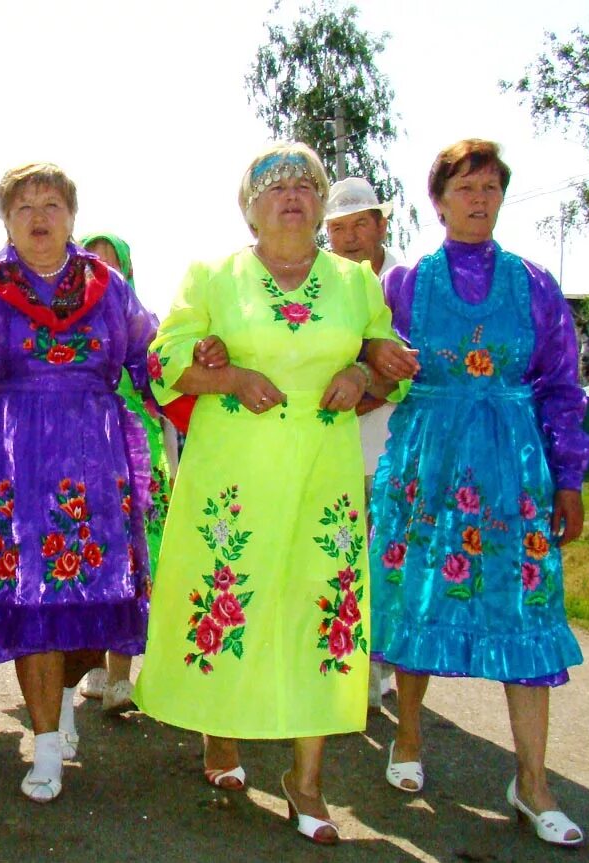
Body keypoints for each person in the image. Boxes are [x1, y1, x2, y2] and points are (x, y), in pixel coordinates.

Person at [131, 143, 416, 845]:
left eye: (305, 185)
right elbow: (162, 360)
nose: (291, 194)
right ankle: (221, 736)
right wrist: (224, 377)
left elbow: (392, 360)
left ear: (321, 205)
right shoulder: (213, 277)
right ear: (249, 208)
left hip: (323, 477)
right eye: (274, 185)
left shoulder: (355, 284)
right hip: (232, 479)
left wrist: (365, 372)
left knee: (320, 616)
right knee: (233, 603)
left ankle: (307, 780)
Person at [369, 139, 589, 847]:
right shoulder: (405, 282)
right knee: (414, 597)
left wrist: (571, 477)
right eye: (465, 187)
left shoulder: (535, 285)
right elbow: (366, 358)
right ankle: (408, 736)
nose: (479, 199)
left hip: (510, 474)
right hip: (427, 468)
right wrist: (375, 358)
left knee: (525, 613)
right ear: (438, 200)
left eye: (491, 187)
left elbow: (560, 385)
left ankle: (532, 782)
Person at [0, 163, 157, 803]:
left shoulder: (109, 287)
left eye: (52, 204)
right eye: (24, 207)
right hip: (16, 463)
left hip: (95, 463)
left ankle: (65, 697)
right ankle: (43, 743)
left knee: (94, 600)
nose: (39, 217)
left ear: (72, 214)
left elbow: (150, 358)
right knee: (30, 604)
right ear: (6, 220)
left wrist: (201, 367)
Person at [77, 232, 172, 713]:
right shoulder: (70, 324)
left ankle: (120, 676)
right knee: (90, 557)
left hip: (134, 455)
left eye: (112, 263)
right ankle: (92, 665)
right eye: (93, 260)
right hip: (84, 456)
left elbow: (162, 380)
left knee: (133, 560)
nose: (102, 270)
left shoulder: (142, 324)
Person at [323, 177, 401, 711]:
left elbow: (399, 370)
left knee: (384, 558)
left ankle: (377, 665)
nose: (350, 238)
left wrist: (357, 389)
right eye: (338, 228)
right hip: (331, 450)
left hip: (391, 447)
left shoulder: (401, 282)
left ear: (381, 225)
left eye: (359, 225)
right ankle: (347, 662)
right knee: (339, 558)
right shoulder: (324, 284)